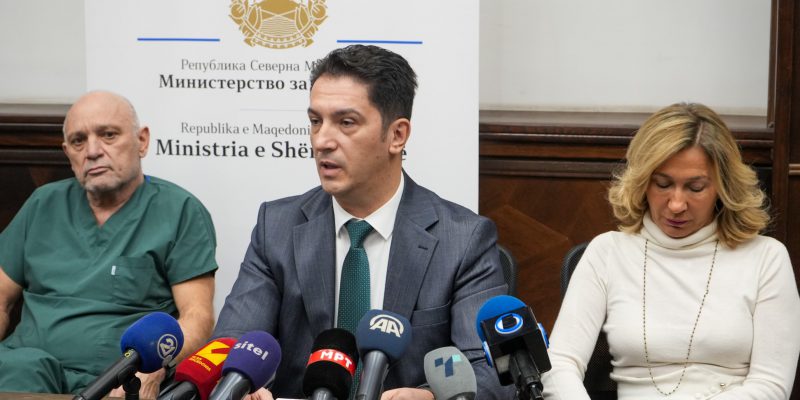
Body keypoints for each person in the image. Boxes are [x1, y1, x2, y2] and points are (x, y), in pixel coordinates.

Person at [213, 44, 512, 400]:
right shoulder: (276, 228)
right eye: (315, 121)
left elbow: (493, 371)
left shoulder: (462, 240)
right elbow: (233, 345)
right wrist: (241, 386)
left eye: (346, 123)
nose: (322, 141)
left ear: (397, 135)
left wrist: (432, 397)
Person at [542, 102, 800, 399]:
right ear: (642, 182)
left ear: (723, 187)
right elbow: (559, 365)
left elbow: (770, 385)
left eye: (695, 188)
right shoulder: (607, 252)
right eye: (663, 184)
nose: (676, 205)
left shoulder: (767, 258)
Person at [0, 91, 218, 398]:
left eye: (108, 135)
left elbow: (197, 316)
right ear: (67, 153)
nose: (92, 151)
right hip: (26, 371)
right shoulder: (43, 204)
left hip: (119, 378)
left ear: (142, 141)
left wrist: (153, 368)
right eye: (78, 141)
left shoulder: (179, 210)